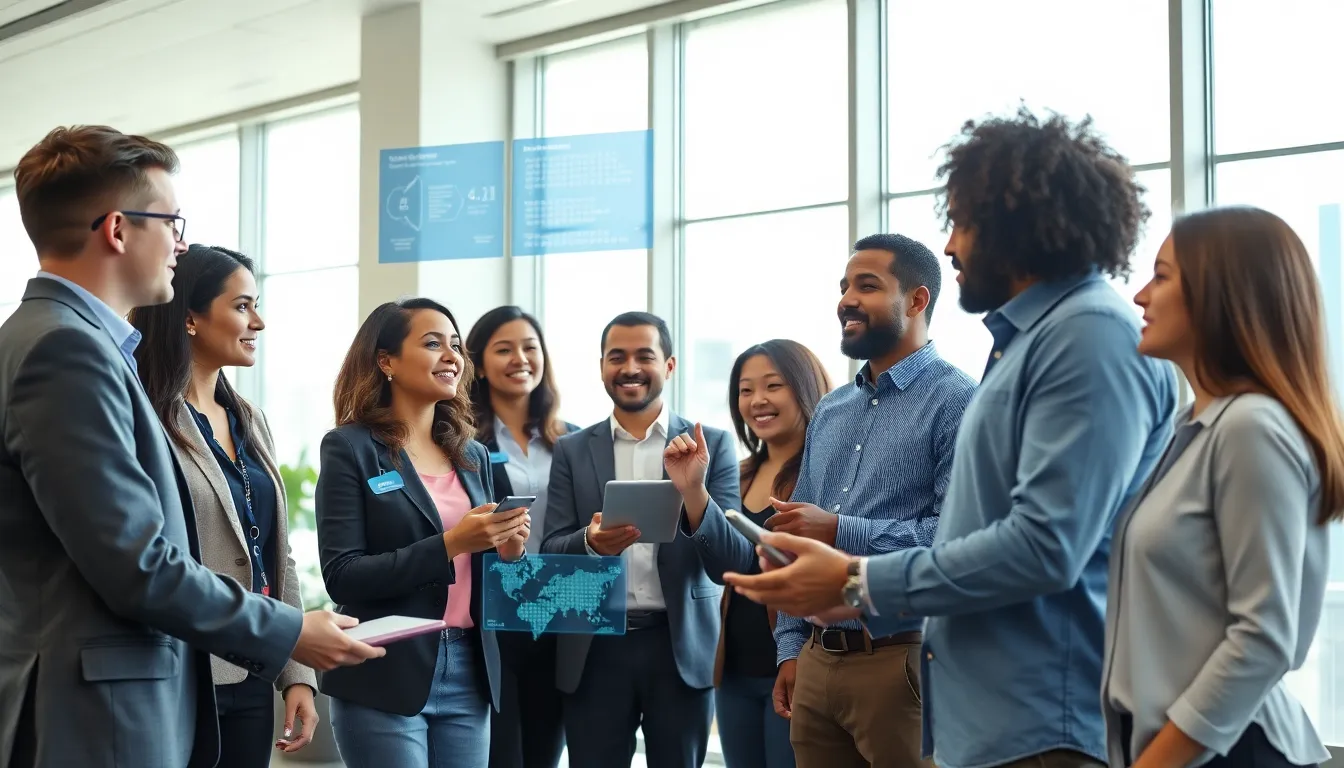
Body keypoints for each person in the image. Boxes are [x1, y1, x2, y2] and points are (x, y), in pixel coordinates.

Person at [723, 109, 1177, 768]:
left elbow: (1046, 546)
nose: (952, 244)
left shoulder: (1087, 338)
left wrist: (854, 578)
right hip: (988, 711)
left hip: (1044, 719)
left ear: (1015, 223)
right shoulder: (1028, 345)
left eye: (962, 221)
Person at [0, 125, 380, 768]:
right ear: (117, 230)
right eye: (172, 221)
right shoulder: (66, 351)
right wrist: (291, 630)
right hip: (99, 717)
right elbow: (135, 564)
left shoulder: (60, 340)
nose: (181, 241)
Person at [672, 234, 973, 768]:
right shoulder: (832, 411)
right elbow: (792, 542)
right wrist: (791, 648)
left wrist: (841, 528)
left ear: (918, 300)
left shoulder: (958, 400)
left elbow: (954, 540)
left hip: (901, 659)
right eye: (843, 286)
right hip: (815, 660)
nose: (846, 300)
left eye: (867, 286)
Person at [1101, 207, 1340, 768]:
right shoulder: (1194, 429)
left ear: (1220, 294)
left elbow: (1263, 636)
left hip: (1226, 750)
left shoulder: (1251, 427)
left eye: (1161, 276)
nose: (1139, 296)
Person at [316, 298, 530, 768]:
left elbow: (483, 573)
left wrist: (507, 551)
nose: (451, 355)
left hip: (469, 670)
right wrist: (454, 543)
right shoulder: (348, 447)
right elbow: (343, 574)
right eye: (433, 343)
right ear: (386, 360)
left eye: (456, 346)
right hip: (385, 669)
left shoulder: (471, 454)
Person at [128, 243, 320, 764]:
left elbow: (274, 551)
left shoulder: (250, 419)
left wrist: (296, 674)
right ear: (189, 317)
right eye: (242, 306)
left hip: (252, 669)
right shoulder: (144, 415)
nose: (258, 321)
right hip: (179, 672)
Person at [540, 311, 741, 768]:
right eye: (617, 357)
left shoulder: (712, 445)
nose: (629, 368)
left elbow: (733, 562)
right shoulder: (572, 449)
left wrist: (694, 492)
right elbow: (550, 550)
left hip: (679, 648)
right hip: (594, 650)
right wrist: (589, 544)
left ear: (669, 366)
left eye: (644, 356)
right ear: (601, 367)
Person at [465, 305, 579, 768]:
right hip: (494, 609)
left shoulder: (569, 438)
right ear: (479, 362)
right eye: (504, 349)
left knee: (546, 747)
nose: (520, 358)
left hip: (560, 607)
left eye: (529, 347)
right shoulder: (463, 439)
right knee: (501, 750)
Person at [714, 340, 832, 768]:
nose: (757, 401)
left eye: (773, 386)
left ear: (804, 388)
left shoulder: (824, 471)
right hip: (734, 671)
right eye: (746, 390)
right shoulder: (735, 473)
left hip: (798, 665)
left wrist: (796, 653)